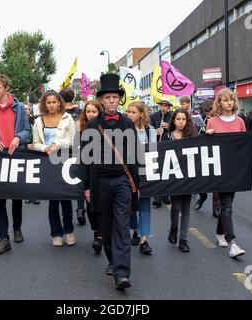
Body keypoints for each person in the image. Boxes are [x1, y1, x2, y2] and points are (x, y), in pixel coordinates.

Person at [82, 74, 140, 291]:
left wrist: (137, 186)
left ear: (119, 99)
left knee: (122, 227)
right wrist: (86, 186)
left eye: (115, 97)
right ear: (102, 101)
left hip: (123, 182)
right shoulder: (92, 125)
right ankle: (113, 261)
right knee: (105, 228)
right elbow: (85, 159)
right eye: (107, 98)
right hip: (99, 183)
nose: (111, 101)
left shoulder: (127, 123)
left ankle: (122, 273)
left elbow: (135, 157)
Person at [0, 74, 32, 255]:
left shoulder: (18, 108)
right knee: (0, 200)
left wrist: (19, 138)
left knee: (16, 196)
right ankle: (4, 238)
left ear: (7, 88)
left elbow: (28, 131)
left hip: (17, 156)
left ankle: (17, 227)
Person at [32, 90, 77, 247]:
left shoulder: (68, 118)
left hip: (64, 162)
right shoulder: (38, 121)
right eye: (48, 102)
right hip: (47, 163)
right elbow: (35, 142)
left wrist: (57, 145)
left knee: (66, 198)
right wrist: (45, 148)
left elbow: (73, 141)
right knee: (52, 200)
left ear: (59, 103)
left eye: (54, 102)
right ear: (44, 104)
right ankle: (56, 233)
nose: (51, 105)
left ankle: (69, 231)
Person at [206, 88, 247, 259]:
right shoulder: (212, 122)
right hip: (219, 170)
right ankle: (232, 243)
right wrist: (208, 136)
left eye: (231, 99)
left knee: (227, 205)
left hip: (235, 170)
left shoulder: (240, 121)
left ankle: (219, 233)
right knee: (227, 206)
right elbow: (206, 149)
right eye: (225, 100)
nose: (229, 102)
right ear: (219, 103)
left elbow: (244, 145)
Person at [163, 108, 197, 252]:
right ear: (174, 120)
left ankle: (183, 239)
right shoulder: (167, 136)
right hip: (173, 177)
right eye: (178, 119)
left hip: (188, 177)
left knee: (186, 208)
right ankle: (174, 228)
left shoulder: (192, 136)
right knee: (175, 207)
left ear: (187, 121)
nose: (181, 122)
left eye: (183, 119)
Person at [126, 101, 156, 255]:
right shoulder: (123, 129)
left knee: (144, 207)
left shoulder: (149, 131)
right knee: (131, 207)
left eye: (133, 112)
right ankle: (135, 230)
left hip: (145, 173)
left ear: (141, 114)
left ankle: (144, 240)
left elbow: (154, 152)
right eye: (128, 112)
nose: (130, 115)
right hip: (128, 174)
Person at [78, 100, 104, 253]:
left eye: (94, 111)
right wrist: (86, 185)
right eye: (88, 111)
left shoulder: (105, 128)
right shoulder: (82, 130)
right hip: (89, 174)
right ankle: (96, 231)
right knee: (90, 207)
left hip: (104, 173)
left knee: (102, 207)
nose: (91, 114)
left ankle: (100, 236)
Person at [60, 87, 87, 226]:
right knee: (80, 180)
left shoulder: (60, 114)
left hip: (64, 150)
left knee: (64, 180)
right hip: (80, 147)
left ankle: (68, 211)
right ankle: (80, 208)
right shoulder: (80, 113)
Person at [150, 99, 173, 208]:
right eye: (162, 106)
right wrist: (155, 131)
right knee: (157, 171)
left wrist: (169, 127)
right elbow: (148, 128)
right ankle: (157, 198)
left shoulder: (172, 116)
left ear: (169, 107)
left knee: (166, 171)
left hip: (168, 145)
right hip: (156, 145)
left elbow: (175, 129)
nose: (164, 108)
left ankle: (166, 195)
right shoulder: (154, 116)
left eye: (166, 106)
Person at [24, 103, 41, 206]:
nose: (26, 110)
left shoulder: (35, 120)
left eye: (28, 109)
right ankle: (28, 196)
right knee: (26, 175)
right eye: (24, 109)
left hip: (35, 149)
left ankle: (36, 196)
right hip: (24, 149)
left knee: (35, 174)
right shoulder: (20, 121)